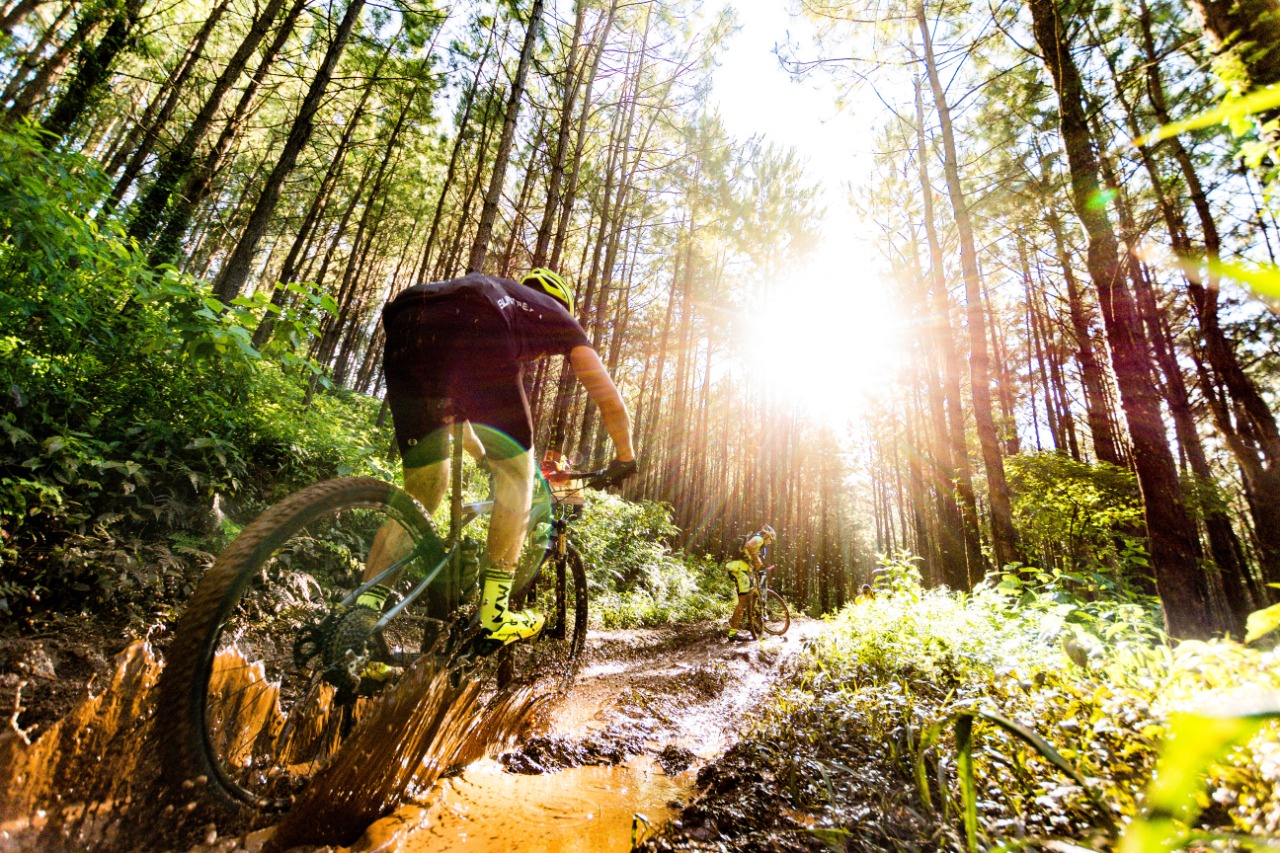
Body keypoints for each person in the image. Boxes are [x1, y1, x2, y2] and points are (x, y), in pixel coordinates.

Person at [361, 268, 637, 649]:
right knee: (519, 476)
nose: (540, 357)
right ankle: (494, 613)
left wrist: (479, 451)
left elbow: (460, 411)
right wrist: (626, 457)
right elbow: (608, 397)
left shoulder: (503, 295)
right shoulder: (559, 317)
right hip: (477, 323)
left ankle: (360, 616)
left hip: (407, 321)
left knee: (423, 491)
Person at [725, 524, 776, 641]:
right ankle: (732, 634)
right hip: (739, 570)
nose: (770, 542)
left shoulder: (759, 543)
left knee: (749, 597)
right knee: (743, 602)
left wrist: (755, 564)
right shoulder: (759, 539)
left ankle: (751, 624)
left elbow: (748, 554)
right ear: (767, 536)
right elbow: (748, 546)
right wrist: (757, 559)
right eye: (771, 539)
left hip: (740, 569)